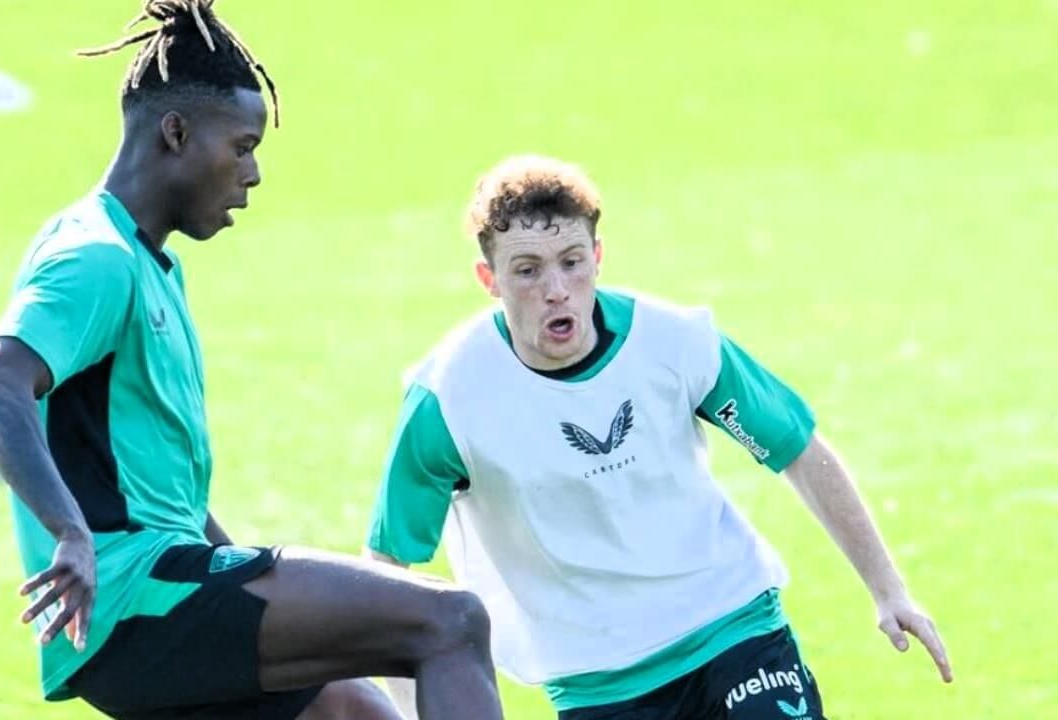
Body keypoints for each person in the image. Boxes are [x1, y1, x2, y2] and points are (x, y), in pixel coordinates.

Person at [0, 0, 504, 720]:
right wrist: (69, 534)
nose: (251, 174)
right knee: (451, 621)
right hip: (135, 602)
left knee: (351, 711)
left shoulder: (150, 264)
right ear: (176, 132)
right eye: (242, 145)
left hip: (162, 590)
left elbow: (160, 492)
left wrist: (236, 560)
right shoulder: (94, 259)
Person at [365, 154, 953, 719]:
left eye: (572, 261)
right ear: (488, 278)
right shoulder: (450, 398)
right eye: (527, 270)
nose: (556, 289)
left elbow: (795, 448)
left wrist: (889, 589)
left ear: (597, 255)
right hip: (598, 682)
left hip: (733, 626)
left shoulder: (674, 343)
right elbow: (389, 566)